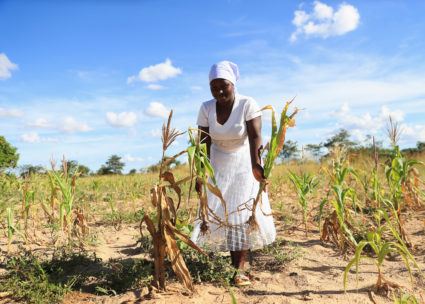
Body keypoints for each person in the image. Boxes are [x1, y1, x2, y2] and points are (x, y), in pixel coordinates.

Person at [191, 61, 276, 287]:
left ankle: (238, 270)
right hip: (217, 162)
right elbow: (203, 142)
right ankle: (226, 263)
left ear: (233, 84)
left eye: (224, 86)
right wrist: (202, 173)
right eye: (214, 87)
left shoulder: (248, 103)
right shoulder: (206, 108)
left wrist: (257, 166)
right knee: (220, 212)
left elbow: (255, 136)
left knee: (240, 214)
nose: (219, 91)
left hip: (243, 162)